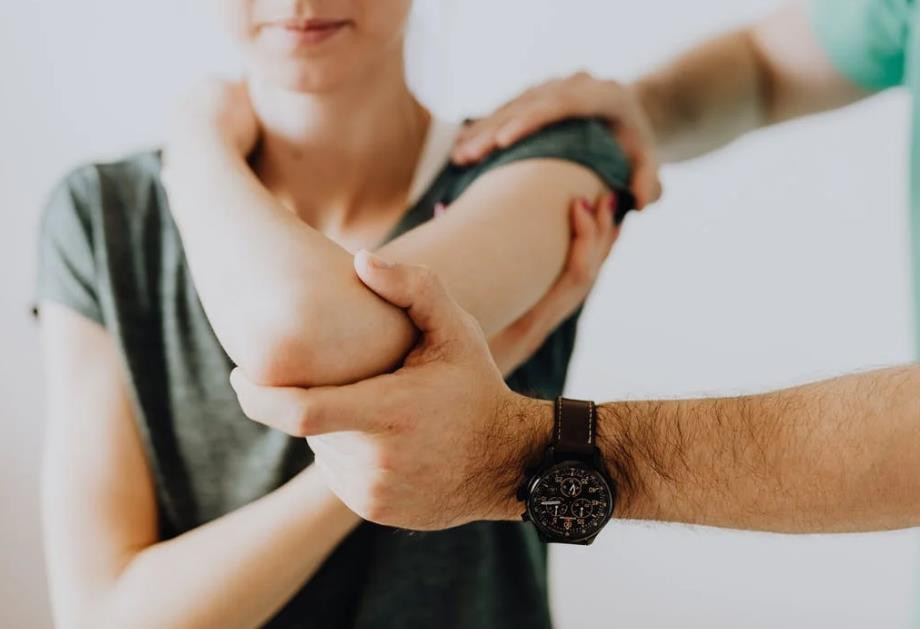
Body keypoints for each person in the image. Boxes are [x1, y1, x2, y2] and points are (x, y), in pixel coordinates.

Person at [35, 1, 637, 628]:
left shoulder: (550, 159)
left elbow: (301, 335)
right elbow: (105, 618)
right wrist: (399, 444)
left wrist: (197, 145)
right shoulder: (103, 215)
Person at [226, 0, 920, 536]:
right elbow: (770, 66)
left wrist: (532, 451)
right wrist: (643, 110)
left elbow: (310, 332)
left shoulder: (532, 172)